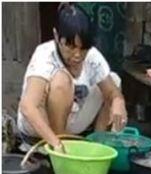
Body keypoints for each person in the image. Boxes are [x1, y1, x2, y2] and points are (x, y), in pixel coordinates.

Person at [17, 3, 127, 152]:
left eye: (83, 48)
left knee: (114, 80)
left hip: (72, 120)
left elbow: (112, 92)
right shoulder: (44, 55)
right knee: (62, 81)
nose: (77, 55)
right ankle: (59, 144)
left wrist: (119, 103)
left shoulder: (92, 56)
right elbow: (28, 106)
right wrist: (56, 143)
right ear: (56, 36)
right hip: (40, 129)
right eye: (70, 47)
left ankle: (98, 144)